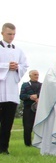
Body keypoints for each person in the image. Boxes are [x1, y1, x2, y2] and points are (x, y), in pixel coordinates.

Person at [0, 23, 28, 154]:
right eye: (9, 34)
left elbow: (25, 65)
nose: (11, 37)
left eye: (13, 34)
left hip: (11, 90)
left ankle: (4, 148)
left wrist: (17, 67)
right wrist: (6, 66)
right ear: (2, 33)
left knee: (8, 122)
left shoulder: (18, 51)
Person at [19, 70, 42, 146]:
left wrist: (38, 97)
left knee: (40, 126)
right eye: (35, 74)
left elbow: (45, 94)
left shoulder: (42, 85)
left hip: (39, 108)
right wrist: (30, 97)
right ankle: (28, 144)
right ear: (30, 75)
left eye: (37, 74)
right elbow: (21, 96)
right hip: (28, 108)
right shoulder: (25, 85)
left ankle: (40, 143)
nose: (36, 76)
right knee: (27, 127)